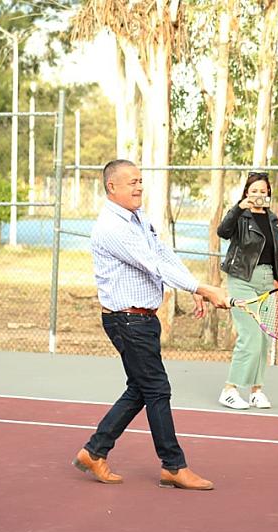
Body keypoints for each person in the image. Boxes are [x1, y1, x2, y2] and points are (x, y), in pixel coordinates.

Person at [72, 159, 230, 491]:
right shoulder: (112, 227)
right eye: (131, 182)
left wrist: (191, 285)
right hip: (126, 321)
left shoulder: (138, 218)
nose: (139, 187)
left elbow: (164, 254)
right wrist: (203, 288)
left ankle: (94, 451)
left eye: (141, 181)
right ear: (111, 187)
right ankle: (173, 466)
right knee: (157, 390)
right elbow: (153, 264)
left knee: (140, 389)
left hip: (143, 319)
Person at [216, 171, 278, 410]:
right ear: (247, 193)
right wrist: (239, 208)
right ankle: (229, 389)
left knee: (262, 340)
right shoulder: (240, 216)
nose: (259, 194)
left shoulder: (272, 219)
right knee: (249, 337)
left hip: (266, 282)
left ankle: (256, 391)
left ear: (268, 193)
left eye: (263, 190)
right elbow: (223, 232)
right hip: (242, 280)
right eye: (254, 190)